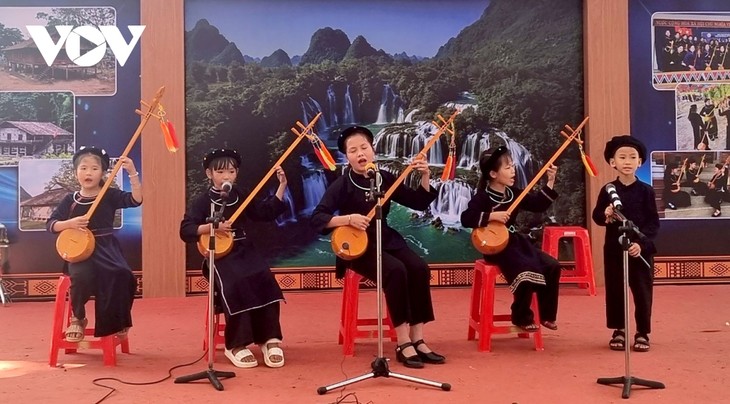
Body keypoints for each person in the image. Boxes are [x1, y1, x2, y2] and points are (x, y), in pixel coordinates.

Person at [310, 126, 444, 369]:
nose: (360, 153)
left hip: (385, 237)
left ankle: (418, 339)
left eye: (364, 147)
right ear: (347, 157)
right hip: (356, 245)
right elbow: (318, 218)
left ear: (372, 149)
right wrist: (348, 219)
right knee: (395, 271)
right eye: (353, 150)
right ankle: (403, 342)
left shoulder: (384, 177)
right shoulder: (342, 184)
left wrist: (425, 175)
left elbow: (418, 201)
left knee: (418, 268)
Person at [179, 148, 287, 368]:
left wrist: (282, 185)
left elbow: (265, 212)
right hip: (218, 255)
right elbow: (186, 230)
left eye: (230, 172)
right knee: (237, 282)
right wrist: (212, 226)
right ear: (209, 174)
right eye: (220, 172)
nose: (226, 177)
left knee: (264, 277)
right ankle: (236, 344)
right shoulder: (202, 201)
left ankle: (269, 338)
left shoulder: (242, 194)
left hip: (244, 248)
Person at [460, 146, 561, 333]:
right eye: (507, 167)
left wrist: (551, 180)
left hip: (515, 242)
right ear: (492, 173)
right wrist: (492, 216)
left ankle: (547, 315)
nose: (513, 170)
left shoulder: (514, 193)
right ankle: (520, 315)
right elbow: (466, 218)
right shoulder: (482, 197)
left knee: (552, 265)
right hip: (495, 247)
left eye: (513, 166)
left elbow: (538, 205)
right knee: (525, 269)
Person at [46, 147, 141, 342]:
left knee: (122, 274)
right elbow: (51, 225)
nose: (88, 173)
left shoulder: (109, 195)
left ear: (103, 172)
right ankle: (78, 318)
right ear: (76, 172)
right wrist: (69, 224)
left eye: (94, 169)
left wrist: (132, 172)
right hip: (79, 250)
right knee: (80, 276)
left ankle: (119, 321)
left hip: (106, 247)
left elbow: (136, 200)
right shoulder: (70, 200)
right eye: (83, 168)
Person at [591, 136, 659, 352]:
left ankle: (642, 332)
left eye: (632, 157)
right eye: (622, 157)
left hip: (639, 250)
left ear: (640, 162)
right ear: (613, 162)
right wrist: (606, 214)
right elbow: (597, 217)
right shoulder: (608, 190)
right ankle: (618, 329)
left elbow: (653, 224)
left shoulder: (646, 191)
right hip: (614, 248)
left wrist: (641, 243)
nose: (627, 161)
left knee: (642, 290)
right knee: (615, 290)